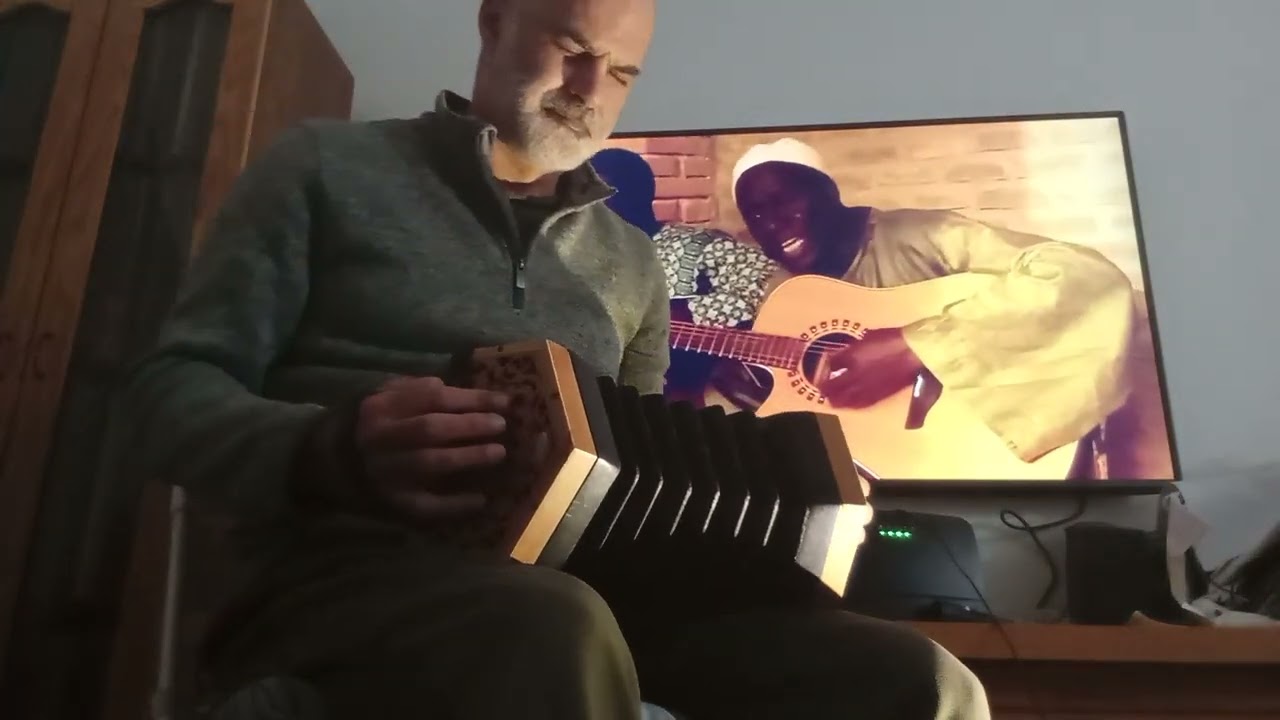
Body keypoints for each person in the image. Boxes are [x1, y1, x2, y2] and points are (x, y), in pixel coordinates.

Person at [121, 0, 990, 718]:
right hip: (338, 578)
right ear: (493, 23)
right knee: (555, 624)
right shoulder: (322, 167)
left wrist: (791, 526)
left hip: (584, 597)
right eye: (573, 49)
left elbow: (646, 491)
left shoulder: (633, 263)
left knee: (922, 683)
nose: (591, 90)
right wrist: (334, 448)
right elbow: (165, 398)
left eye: (620, 73)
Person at [713, 138, 1138, 466]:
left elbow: (1083, 275)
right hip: (891, 473)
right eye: (754, 214)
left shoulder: (928, 236)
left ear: (828, 191)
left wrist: (913, 346)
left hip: (990, 448)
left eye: (785, 199)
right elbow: (835, 418)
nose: (771, 222)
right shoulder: (780, 294)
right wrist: (761, 401)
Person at [590, 147, 779, 405]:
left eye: (606, 193)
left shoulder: (699, 245)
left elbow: (765, 288)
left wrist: (679, 312)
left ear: (641, 194)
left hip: (699, 398)